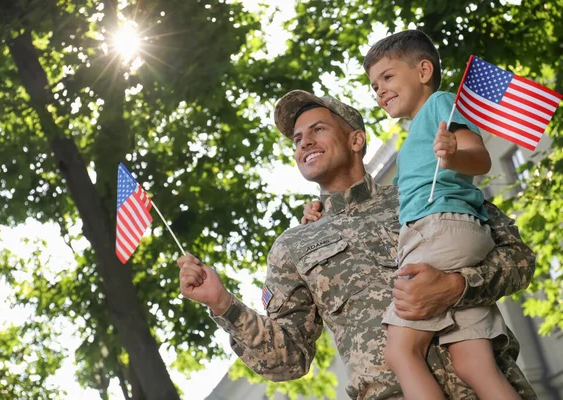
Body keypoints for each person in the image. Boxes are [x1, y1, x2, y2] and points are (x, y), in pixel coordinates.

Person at [177, 89, 537, 399]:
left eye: (318, 129)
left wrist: (458, 287)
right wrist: (223, 305)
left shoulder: (423, 189)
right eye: (297, 139)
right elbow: (287, 360)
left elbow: (518, 257)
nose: (304, 141)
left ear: (356, 140)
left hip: (489, 386)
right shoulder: (293, 246)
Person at [304, 30, 522, 399]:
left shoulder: (439, 105)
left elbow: (480, 157)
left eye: (387, 77)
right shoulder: (414, 138)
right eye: (374, 85)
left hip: (440, 230)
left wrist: (453, 154)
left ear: (423, 71)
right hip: (452, 233)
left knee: (402, 350)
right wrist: (320, 213)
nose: (380, 90)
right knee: (474, 363)